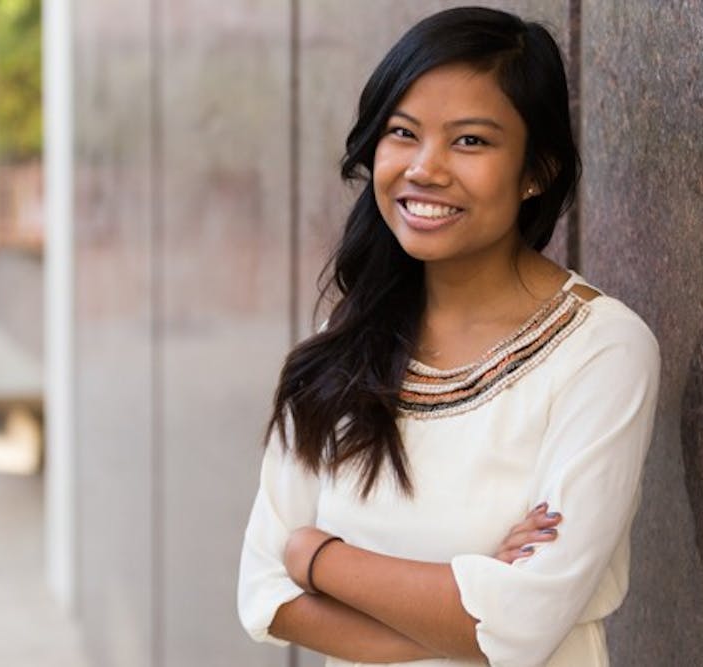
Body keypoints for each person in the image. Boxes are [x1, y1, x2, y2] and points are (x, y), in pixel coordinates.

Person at [237, 6, 660, 666]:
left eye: (470, 141)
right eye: (403, 132)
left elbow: (519, 626)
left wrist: (313, 554)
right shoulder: (345, 342)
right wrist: (464, 602)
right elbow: (265, 594)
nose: (425, 168)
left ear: (538, 170)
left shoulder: (602, 350)